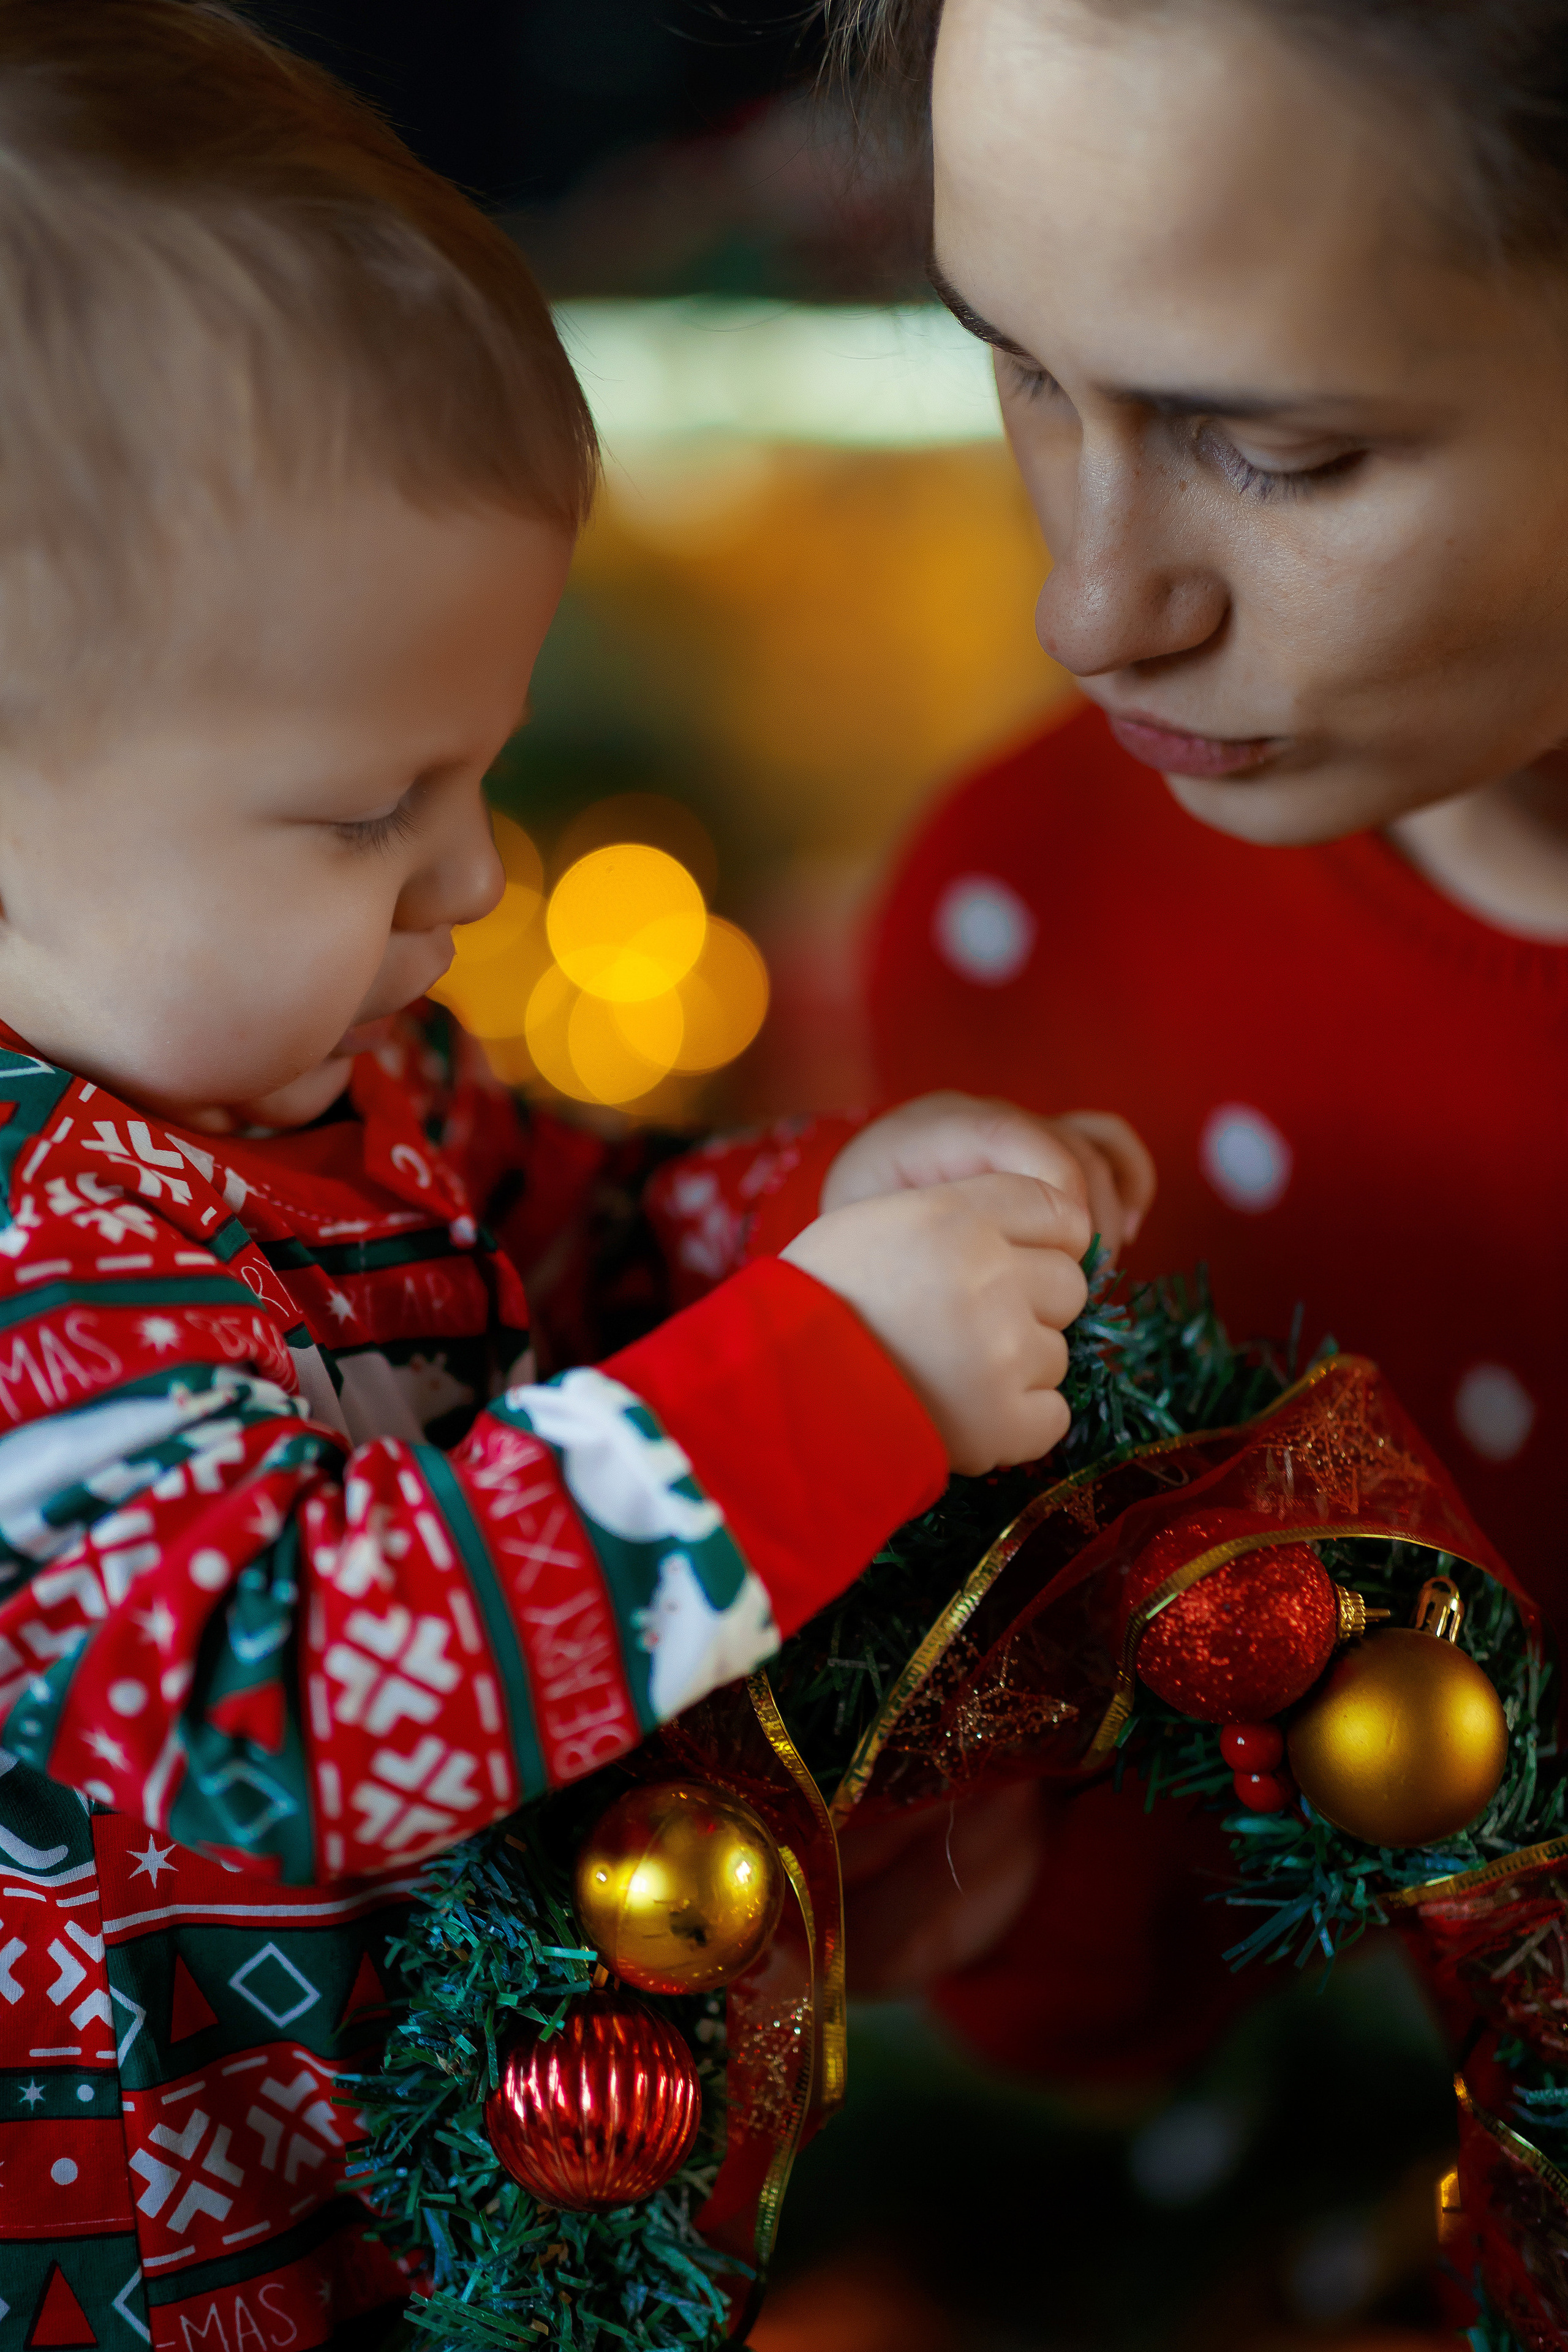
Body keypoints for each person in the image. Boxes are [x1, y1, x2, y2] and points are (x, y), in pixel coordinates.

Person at [0, 5, 1140, 2337]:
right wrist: (838, 1378)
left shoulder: (299, 1095)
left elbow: (590, 1240)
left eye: (479, 771)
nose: (473, 881)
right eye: (362, 808)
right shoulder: (37, 1259)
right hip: (155, 2274)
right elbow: (288, 1699)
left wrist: (846, 1207)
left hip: (429, 2220)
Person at [823, 0, 1568, 2089]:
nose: (1091, 604)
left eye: (1282, 449)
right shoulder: (1033, 916)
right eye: (1023, 371)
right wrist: (1011, 1869)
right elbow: (1188, 1978)